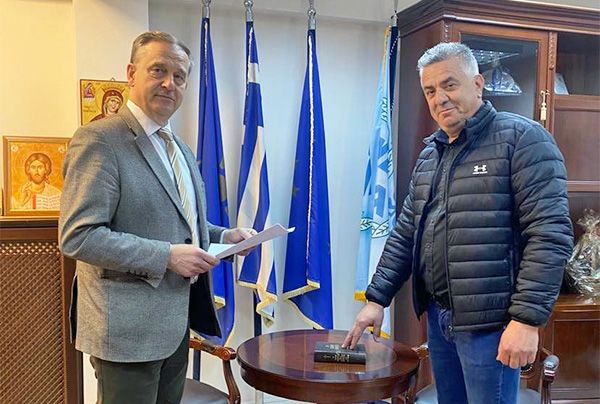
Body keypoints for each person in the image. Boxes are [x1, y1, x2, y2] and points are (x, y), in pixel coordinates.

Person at [343, 42, 573, 404]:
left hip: (493, 326)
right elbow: (406, 233)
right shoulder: (430, 155)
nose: (440, 98)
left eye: (449, 85)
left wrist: (527, 321)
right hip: (440, 319)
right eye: (430, 91)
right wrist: (377, 299)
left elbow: (549, 235)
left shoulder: (523, 140)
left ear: (478, 84)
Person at [59, 31, 255, 404]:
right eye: (158, 70)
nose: (169, 83)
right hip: (126, 333)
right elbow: (79, 236)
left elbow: (181, 223)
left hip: (175, 324)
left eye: (179, 76)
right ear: (131, 73)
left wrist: (224, 236)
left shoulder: (178, 147)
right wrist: (165, 256)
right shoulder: (100, 140)